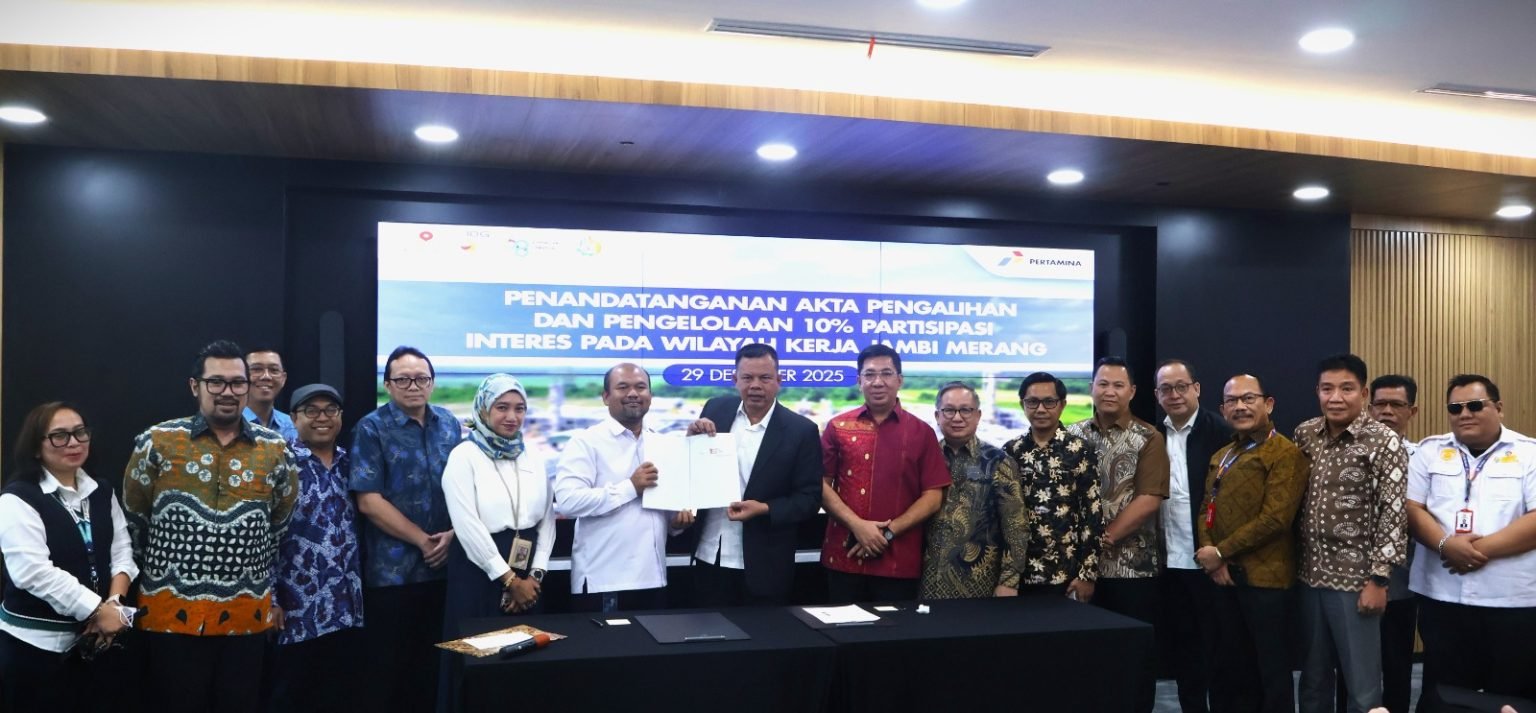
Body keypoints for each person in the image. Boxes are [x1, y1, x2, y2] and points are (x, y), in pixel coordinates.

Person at [122, 340, 298, 713]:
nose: (227, 392)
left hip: (245, 615)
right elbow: (135, 520)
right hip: (170, 614)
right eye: (216, 382)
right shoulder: (157, 442)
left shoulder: (276, 450)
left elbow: (279, 523)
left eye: (237, 382)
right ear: (195, 386)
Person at [1407, 374, 1536, 708]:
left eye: (1475, 405)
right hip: (1443, 596)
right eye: (1455, 408)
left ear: (1499, 408)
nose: (1465, 414)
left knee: (1512, 696)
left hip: (1512, 601)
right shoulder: (1430, 451)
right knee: (1444, 694)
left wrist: (1472, 551)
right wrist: (1445, 546)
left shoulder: (1529, 453)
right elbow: (1412, 509)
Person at [0, 402, 137, 713]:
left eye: (80, 432)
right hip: (34, 651)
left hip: (95, 645)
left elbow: (121, 551)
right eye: (59, 436)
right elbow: (32, 572)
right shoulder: (16, 499)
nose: (74, 442)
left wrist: (115, 605)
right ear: (36, 447)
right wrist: (98, 610)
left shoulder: (101, 491)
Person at [1292, 354, 1408, 713]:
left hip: (1357, 581)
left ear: (1364, 393)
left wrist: (1379, 579)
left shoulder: (1383, 440)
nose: (1336, 398)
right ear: (1317, 391)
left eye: (1346, 389)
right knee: (1312, 679)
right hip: (1308, 575)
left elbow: (1393, 513)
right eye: (1327, 389)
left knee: (1362, 686)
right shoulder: (1305, 433)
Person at [350, 346, 462, 713]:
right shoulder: (371, 428)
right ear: (387, 384)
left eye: (421, 379)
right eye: (403, 379)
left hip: (445, 571)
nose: (413, 386)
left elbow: (465, 488)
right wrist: (423, 541)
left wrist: (453, 535)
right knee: (389, 673)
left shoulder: (449, 424)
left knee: (436, 670)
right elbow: (368, 500)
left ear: (432, 383)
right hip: (392, 575)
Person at [440, 374, 554, 712]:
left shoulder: (533, 456)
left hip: (529, 575)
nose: (512, 416)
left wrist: (534, 577)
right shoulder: (464, 456)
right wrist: (509, 580)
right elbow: (467, 525)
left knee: (524, 665)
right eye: (502, 407)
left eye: (520, 408)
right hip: (479, 572)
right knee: (479, 662)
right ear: (483, 410)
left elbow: (548, 520)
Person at [1196, 375, 1306, 713]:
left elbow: (1275, 519)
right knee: (1230, 667)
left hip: (1266, 581)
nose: (1240, 406)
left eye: (1248, 398)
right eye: (1231, 401)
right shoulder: (1223, 454)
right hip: (1224, 577)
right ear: (1222, 409)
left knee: (1270, 671)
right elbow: (1206, 508)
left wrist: (1220, 552)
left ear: (1268, 404)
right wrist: (1212, 557)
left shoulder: (1285, 453)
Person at [685, 344, 823, 606]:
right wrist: (690, 441)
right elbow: (693, 469)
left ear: (779, 380)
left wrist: (764, 509)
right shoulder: (715, 410)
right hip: (709, 554)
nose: (755, 385)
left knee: (763, 632)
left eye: (765, 378)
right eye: (747, 378)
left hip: (765, 565)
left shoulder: (801, 430)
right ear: (734, 379)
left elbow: (809, 499)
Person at [1067, 356, 1169, 713]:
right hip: (1078, 570)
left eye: (1118, 385)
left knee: (1131, 659)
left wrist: (1098, 543)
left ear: (1133, 392)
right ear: (1091, 388)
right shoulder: (1072, 435)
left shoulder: (1148, 437)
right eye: (1103, 384)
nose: (1109, 391)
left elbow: (1149, 499)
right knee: (1085, 659)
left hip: (1132, 569)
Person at [554, 363, 693, 612]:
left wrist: (676, 523)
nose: (633, 393)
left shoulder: (664, 444)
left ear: (650, 395)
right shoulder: (586, 442)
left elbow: (663, 512)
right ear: (606, 397)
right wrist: (630, 487)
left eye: (641, 387)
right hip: (605, 581)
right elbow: (568, 502)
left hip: (655, 578)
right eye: (623, 387)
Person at [819, 344, 951, 603]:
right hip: (843, 557)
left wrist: (886, 533)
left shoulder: (921, 432)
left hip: (898, 562)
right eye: (869, 374)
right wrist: (857, 526)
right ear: (859, 381)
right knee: (840, 627)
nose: (878, 382)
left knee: (896, 629)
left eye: (886, 373)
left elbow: (933, 496)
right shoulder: (837, 427)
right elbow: (820, 484)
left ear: (899, 380)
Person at [270, 384, 364, 713]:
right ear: (294, 418)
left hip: (345, 607)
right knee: (290, 696)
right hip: (297, 609)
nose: (322, 417)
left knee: (338, 695)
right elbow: (264, 534)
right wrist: (271, 598)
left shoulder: (351, 463)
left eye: (330, 410)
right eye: (311, 411)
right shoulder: (280, 465)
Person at [1154, 359, 1232, 713]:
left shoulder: (1222, 432)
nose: (1174, 395)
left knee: (1221, 651)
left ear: (1196, 389)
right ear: (1157, 395)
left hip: (1212, 560)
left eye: (1181, 387)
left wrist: (1222, 552)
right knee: (1184, 650)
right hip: (1169, 561)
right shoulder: (1152, 436)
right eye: (1166, 389)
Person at [919, 381, 1029, 599]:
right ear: (937, 416)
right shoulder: (923, 458)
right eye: (949, 410)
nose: (957, 418)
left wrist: (1009, 581)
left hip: (979, 584)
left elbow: (1015, 526)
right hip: (924, 581)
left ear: (978, 415)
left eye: (966, 410)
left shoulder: (998, 462)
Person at [1002, 372, 1103, 599]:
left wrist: (1087, 575)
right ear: (1022, 404)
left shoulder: (1080, 450)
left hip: (1065, 573)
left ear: (1062, 404)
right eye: (1032, 402)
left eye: (1049, 402)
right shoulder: (1010, 451)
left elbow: (1092, 514)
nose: (1040, 409)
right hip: (1018, 574)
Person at [1363, 374, 1421, 713]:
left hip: (1401, 581)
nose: (1386, 411)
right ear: (1369, 408)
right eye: (1380, 404)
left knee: (1397, 665)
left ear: (1412, 411)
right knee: (1353, 667)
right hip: (1351, 579)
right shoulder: (1351, 453)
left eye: (1396, 404)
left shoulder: (1422, 459)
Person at [244, 347, 297, 441]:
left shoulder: (292, 426)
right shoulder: (229, 424)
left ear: (283, 379)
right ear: (242, 376)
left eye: (274, 370)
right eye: (257, 369)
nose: (266, 376)